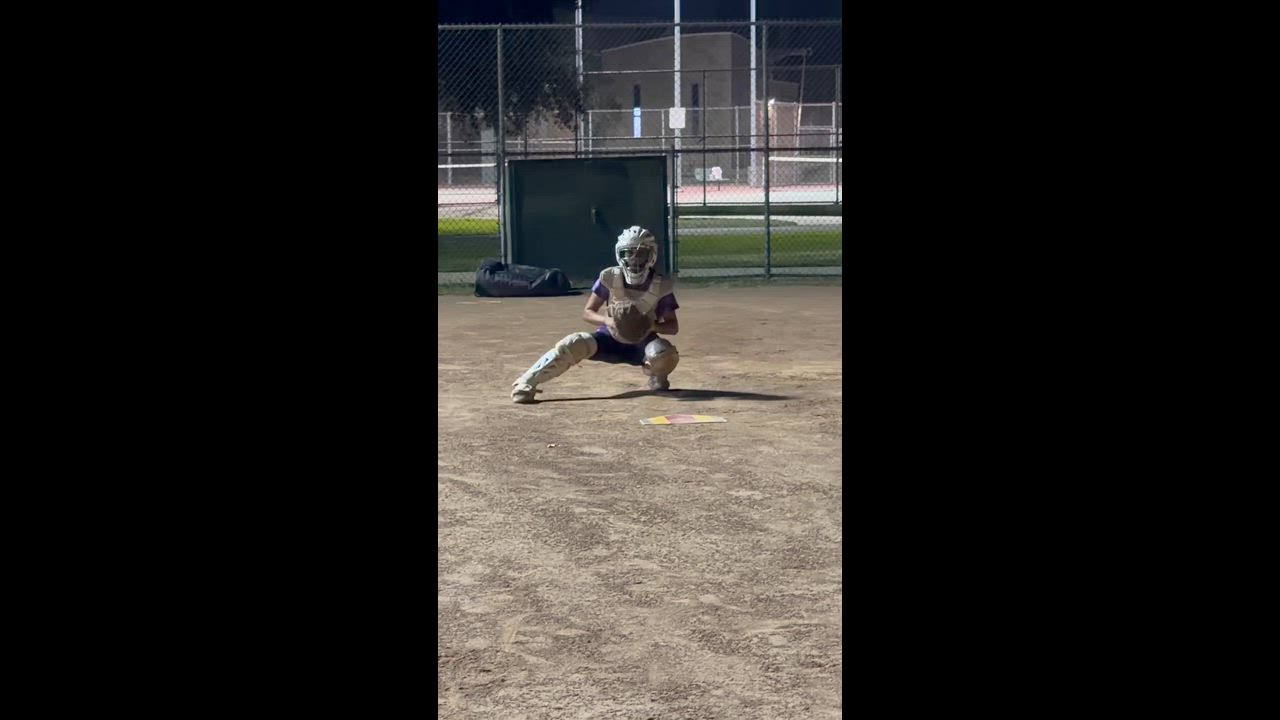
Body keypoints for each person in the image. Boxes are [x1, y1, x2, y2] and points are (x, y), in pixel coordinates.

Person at [511, 226, 680, 404]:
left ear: (651, 255)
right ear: (620, 254)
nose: (634, 259)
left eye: (640, 254)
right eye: (629, 253)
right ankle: (526, 382)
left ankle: (656, 374)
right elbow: (588, 312)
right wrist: (609, 321)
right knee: (574, 343)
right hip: (610, 337)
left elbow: (673, 326)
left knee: (663, 353)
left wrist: (649, 325)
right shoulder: (610, 277)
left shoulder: (661, 285)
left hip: (642, 342)